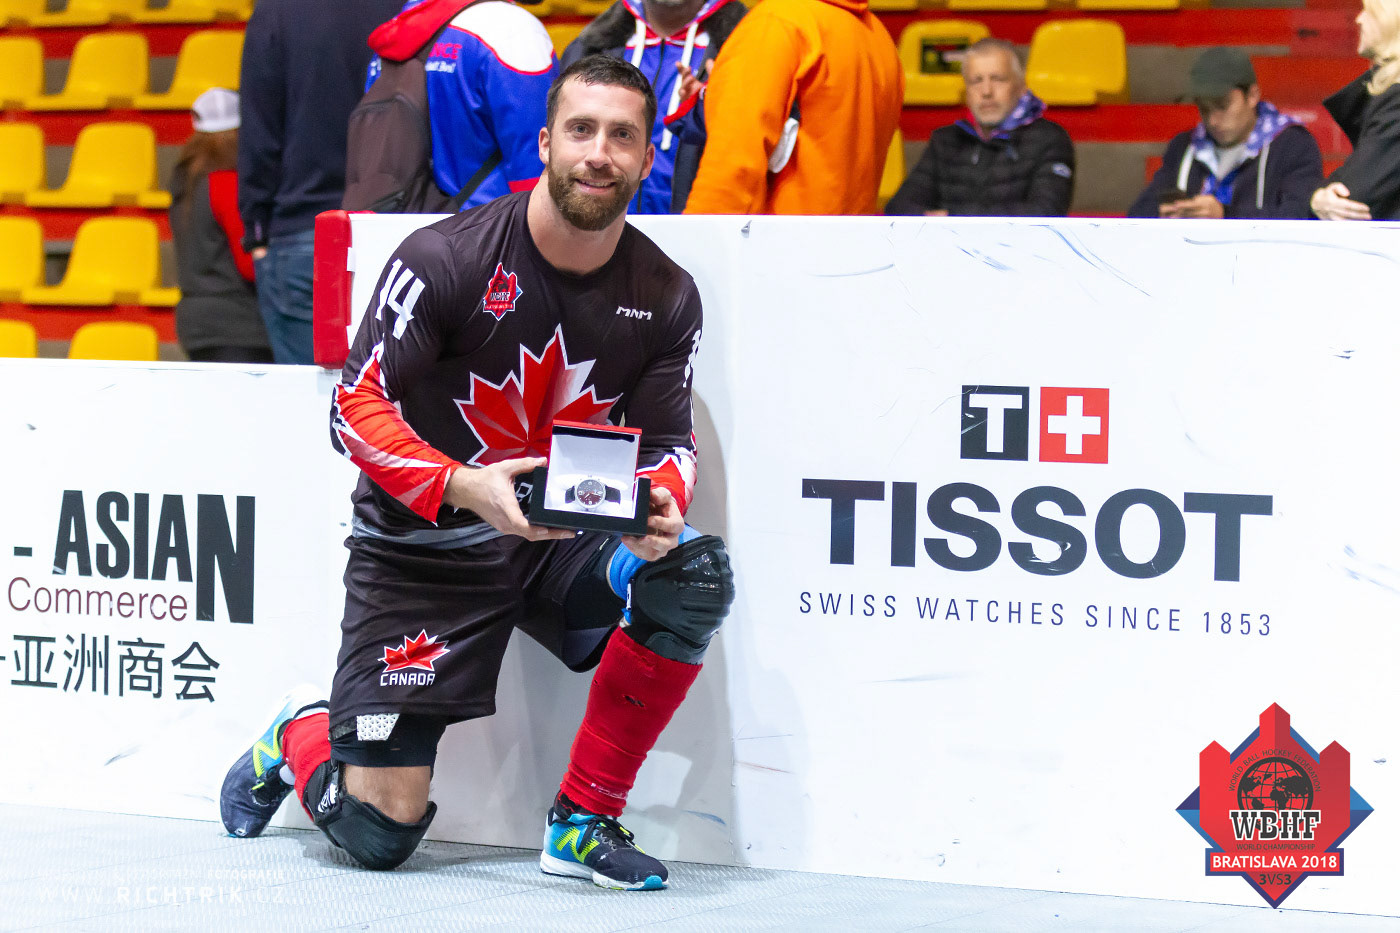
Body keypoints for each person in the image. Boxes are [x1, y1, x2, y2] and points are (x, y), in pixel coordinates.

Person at [218, 56, 735, 892]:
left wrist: (662, 502)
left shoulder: (667, 293)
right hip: (422, 548)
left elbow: (668, 444)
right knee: (378, 834)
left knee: (693, 572)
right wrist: (467, 485)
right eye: (580, 129)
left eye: (621, 136)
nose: (598, 152)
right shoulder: (444, 257)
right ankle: (301, 731)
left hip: (560, 541)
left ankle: (583, 820)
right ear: (546, 142)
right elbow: (352, 407)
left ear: (647, 157)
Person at [238, 0, 402, 363]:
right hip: (396, 226)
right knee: (390, 393)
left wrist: (256, 229)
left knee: (305, 396)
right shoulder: (411, 9)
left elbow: (259, 130)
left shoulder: (277, 12)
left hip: (303, 229)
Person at [682, 0, 902, 215]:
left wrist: (699, 235)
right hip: (848, 234)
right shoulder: (878, 36)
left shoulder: (776, 23)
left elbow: (733, 162)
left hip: (777, 234)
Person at [364, 0, 558, 210]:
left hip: (402, 221)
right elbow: (537, 171)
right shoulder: (512, 31)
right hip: (491, 223)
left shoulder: (394, 34)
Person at [560, 0, 748, 214]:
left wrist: (714, 105)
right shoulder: (587, 48)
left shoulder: (748, 48)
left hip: (703, 228)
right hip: (600, 228)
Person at [885, 38, 1074, 218]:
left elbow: (1046, 212)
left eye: (998, 79)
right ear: (966, 92)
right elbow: (899, 208)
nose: (986, 92)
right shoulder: (945, 141)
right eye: (976, 81)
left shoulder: (1050, 139)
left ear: (1021, 87)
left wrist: (953, 218)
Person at [1128, 47, 1323, 220]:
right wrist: (1162, 214)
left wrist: (1225, 215)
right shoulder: (1184, 146)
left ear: (1252, 95)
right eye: (1204, 109)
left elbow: (1300, 217)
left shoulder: (1293, 145)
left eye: (1222, 106)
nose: (1213, 120)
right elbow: (1138, 215)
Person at [168, 89, 272, 364]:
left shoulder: (184, 183)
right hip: (240, 325)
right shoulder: (226, 183)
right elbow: (249, 264)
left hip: (196, 322)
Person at [1311, 0, 1400, 221]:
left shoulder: (1396, 103)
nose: (1359, 20)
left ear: (1391, 23)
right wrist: (1317, 198)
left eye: (1368, 12)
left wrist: (1318, 198)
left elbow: (1353, 196)